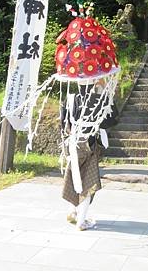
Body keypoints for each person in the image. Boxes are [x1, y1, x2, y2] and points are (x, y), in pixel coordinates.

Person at [61, 81, 118, 230]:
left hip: (72, 144)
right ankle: (81, 220)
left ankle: (72, 211)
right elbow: (111, 120)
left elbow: (63, 123)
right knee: (88, 182)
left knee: (74, 178)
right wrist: (108, 96)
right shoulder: (99, 99)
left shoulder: (70, 98)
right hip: (90, 144)